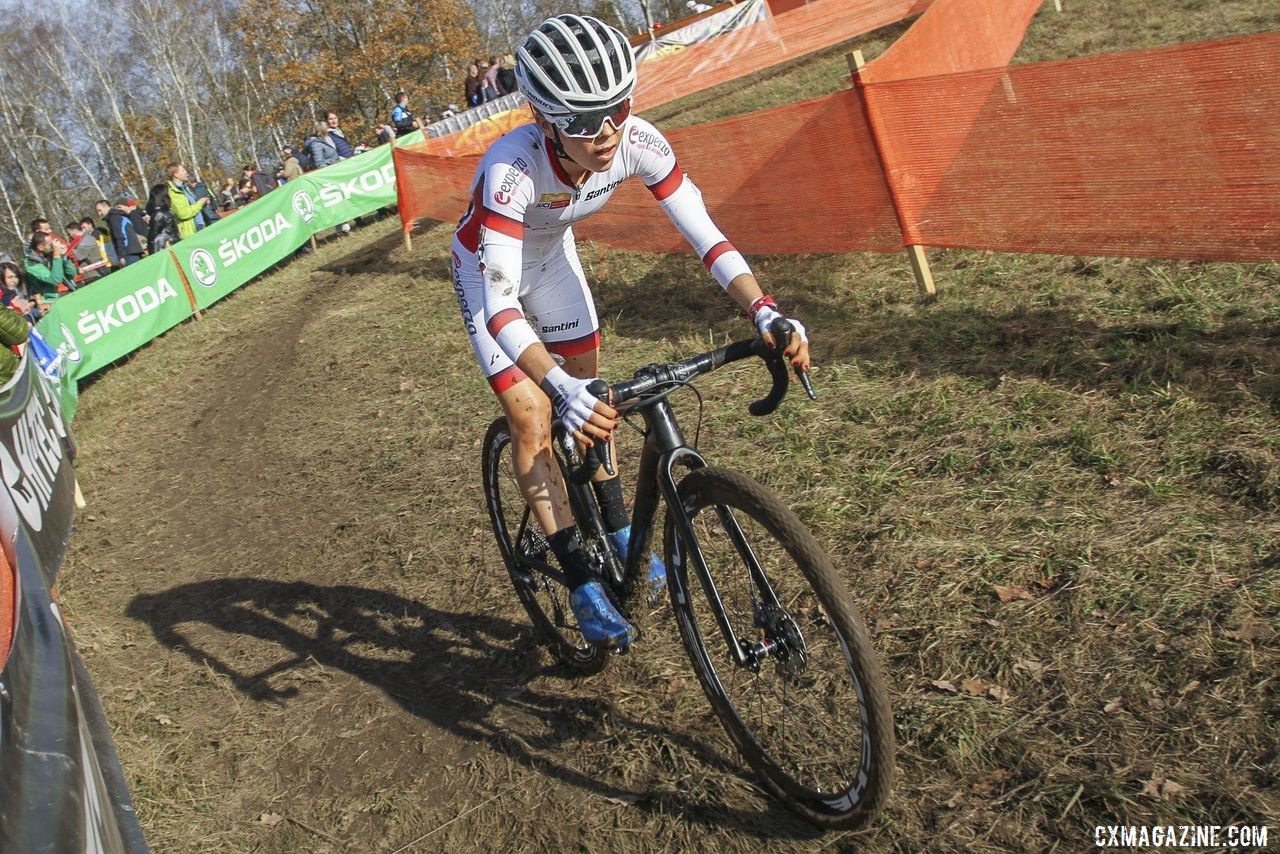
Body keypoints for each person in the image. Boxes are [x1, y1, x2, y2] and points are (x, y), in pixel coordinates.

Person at [448, 14, 809, 648]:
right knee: (536, 418)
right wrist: (557, 387)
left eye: (616, 108)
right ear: (543, 120)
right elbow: (501, 307)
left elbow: (705, 235)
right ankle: (581, 577)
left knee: (600, 409)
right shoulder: (513, 168)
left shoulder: (639, 140)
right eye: (583, 122)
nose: (606, 132)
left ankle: (617, 526)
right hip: (489, 277)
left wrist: (765, 311)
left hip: (553, 259)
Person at [23, 231, 77, 302]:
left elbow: (72, 274)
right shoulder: (31, 264)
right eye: (50, 245)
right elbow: (56, 280)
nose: (53, 247)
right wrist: (57, 254)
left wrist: (65, 258)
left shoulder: (50, 254)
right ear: (40, 247)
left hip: (70, 291)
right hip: (53, 301)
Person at [166, 163, 209, 239]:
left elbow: (193, 206)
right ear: (175, 175)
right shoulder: (172, 192)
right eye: (183, 170)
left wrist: (204, 203)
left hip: (200, 226)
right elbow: (183, 213)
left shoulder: (185, 188)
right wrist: (200, 202)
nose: (186, 172)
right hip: (191, 233)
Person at [106, 199, 146, 265]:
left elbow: (139, 231)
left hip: (137, 248)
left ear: (126, 206)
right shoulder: (128, 216)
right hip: (138, 249)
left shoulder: (133, 215)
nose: (118, 209)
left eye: (119, 207)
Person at [145, 183, 180, 251]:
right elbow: (153, 238)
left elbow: (152, 237)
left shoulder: (161, 213)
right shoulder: (160, 214)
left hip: (170, 248)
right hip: (168, 249)